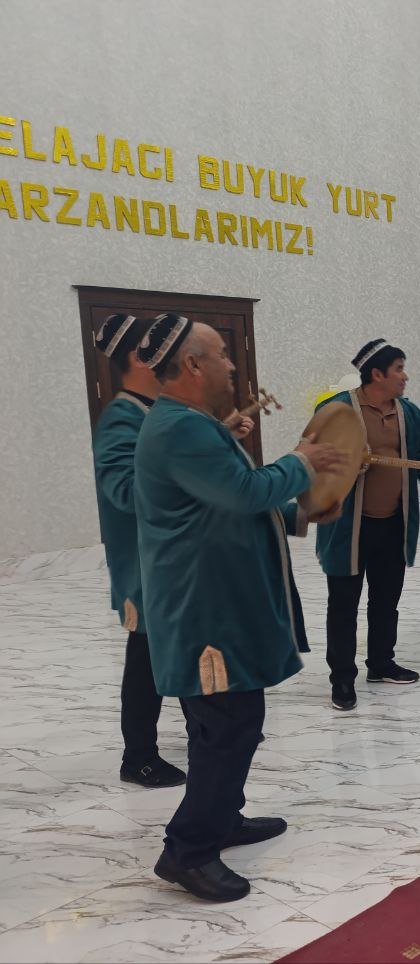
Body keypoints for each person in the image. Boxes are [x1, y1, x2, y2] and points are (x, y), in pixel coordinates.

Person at [133, 314, 345, 902]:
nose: (232, 365)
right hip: (204, 611)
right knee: (226, 727)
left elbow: (222, 504)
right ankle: (188, 851)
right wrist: (301, 461)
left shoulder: (191, 423)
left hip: (216, 602)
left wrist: (300, 514)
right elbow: (245, 492)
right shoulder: (181, 428)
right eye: (222, 354)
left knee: (230, 723)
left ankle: (223, 817)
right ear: (192, 365)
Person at [315, 339, 420, 711]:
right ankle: (342, 678)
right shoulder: (335, 410)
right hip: (348, 529)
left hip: (395, 523)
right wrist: (349, 464)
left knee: (386, 600)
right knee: (343, 604)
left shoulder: (409, 412)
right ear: (377, 374)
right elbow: (312, 460)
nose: (404, 376)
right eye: (398, 369)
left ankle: (381, 663)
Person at [91, 313, 186, 789]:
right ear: (138, 356)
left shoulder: (158, 411)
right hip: (147, 566)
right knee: (146, 659)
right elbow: (125, 492)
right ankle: (139, 757)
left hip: (175, 561)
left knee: (180, 649)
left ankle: (210, 728)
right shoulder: (122, 419)